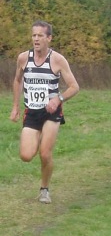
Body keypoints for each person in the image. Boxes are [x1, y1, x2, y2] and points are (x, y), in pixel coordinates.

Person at [10, 20, 79, 203]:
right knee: (25, 156)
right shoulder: (23, 58)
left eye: (40, 35)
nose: (36, 39)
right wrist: (16, 107)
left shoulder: (57, 60)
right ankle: (39, 137)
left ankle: (44, 189)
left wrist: (58, 99)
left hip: (51, 112)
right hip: (32, 112)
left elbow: (74, 87)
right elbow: (17, 81)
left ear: (49, 38)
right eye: (34, 35)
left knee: (45, 153)